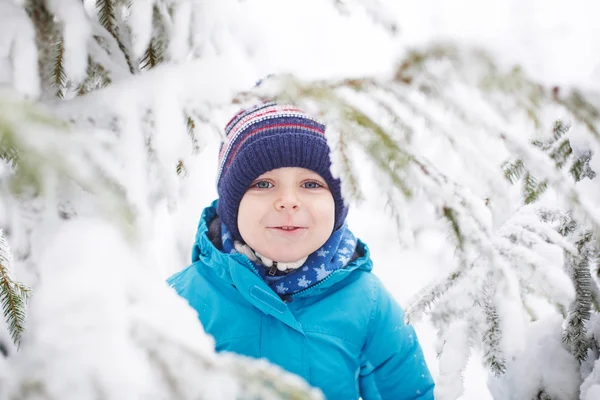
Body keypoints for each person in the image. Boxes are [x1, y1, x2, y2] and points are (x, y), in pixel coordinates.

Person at [167, 102, 435, 399]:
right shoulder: (182, 300)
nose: (288, 201)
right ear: (232, 206)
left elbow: (410, 393)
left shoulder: (368, 303)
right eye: (264, 183)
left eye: (310, 184)